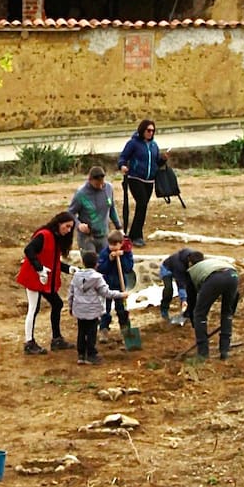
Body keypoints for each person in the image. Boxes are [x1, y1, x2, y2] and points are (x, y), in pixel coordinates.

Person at [15, 211, 78, 355]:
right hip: (33, 277)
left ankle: (56, 339)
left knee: (57, 303)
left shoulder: (56, 238)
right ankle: (29, 342)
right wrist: (39, 268)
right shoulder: (44, 235)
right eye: (67, 226)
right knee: (33, 308)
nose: (68, 230)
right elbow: (29, 250)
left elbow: (53, 261)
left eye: (70, 228)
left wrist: (69, 269)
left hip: (43, 279)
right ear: (59, 223)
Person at [68, 250, 127, 366]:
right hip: (92, 311)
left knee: (81, 331)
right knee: (91, 332)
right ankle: (91, 354)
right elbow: (106, 293)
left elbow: (71, 293)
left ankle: (81, 355)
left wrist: (71, 306)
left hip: (79, 309)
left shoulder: (76, 276)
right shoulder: (97, 278)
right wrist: (121, 294)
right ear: (96, 264)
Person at [118, 119, 167, 247]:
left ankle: (135, 234)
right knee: (142, 203)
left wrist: (163, 160)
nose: (151, 133)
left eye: (153, 131)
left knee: (143, 206)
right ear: (142, 130)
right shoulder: (133, 144)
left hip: (150, 180)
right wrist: (122, 166)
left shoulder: (154, 145)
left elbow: (156, 162)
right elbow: (123, 157)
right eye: (148, 130)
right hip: (135, 178)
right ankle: (136, 235)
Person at [183, 251, 240, 360]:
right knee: (226, 313)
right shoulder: (209, 264)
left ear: (190, 263)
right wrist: (231, 311)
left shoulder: (191, 272)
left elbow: (192, 299)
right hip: (233, 275)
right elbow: (236, 294)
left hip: (215, 278)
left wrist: (194, 320)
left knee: (199, 314)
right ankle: (224, 351)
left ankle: (203, 353)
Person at [66, 166, 122, 255]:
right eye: (97, 184)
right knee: (91, 262)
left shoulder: (109, 188)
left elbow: (111, 208)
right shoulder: (81, 194)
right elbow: (70, 213)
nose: (100, 187)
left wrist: (119, 227)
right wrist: (79, 225)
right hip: (87, 237)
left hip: (103, 235)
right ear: (90, 180)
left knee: (104, 263)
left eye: (102, 184)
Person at [96, 229, 135, 342]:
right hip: (106, 286)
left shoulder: (127, 253)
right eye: (110, 244)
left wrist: (122, 257)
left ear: (121, 244)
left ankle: (126, 331)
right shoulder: (104, 253)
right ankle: (104, 330)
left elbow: (128, 268)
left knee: (122, 309)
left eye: (115, 245)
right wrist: (110, 259)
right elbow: (101, 268)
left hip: (120, 286)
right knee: (105, 309)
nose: (112, 247)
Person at [160, 247, 199, 322]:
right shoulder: (178, 264)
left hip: (182, 269)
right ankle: (164, 309)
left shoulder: (194, 257)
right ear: (189, 261)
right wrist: (184, 299)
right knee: (168, 289)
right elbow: (181, 283)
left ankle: (187, 311)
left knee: (189, 287)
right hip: (167, 269)